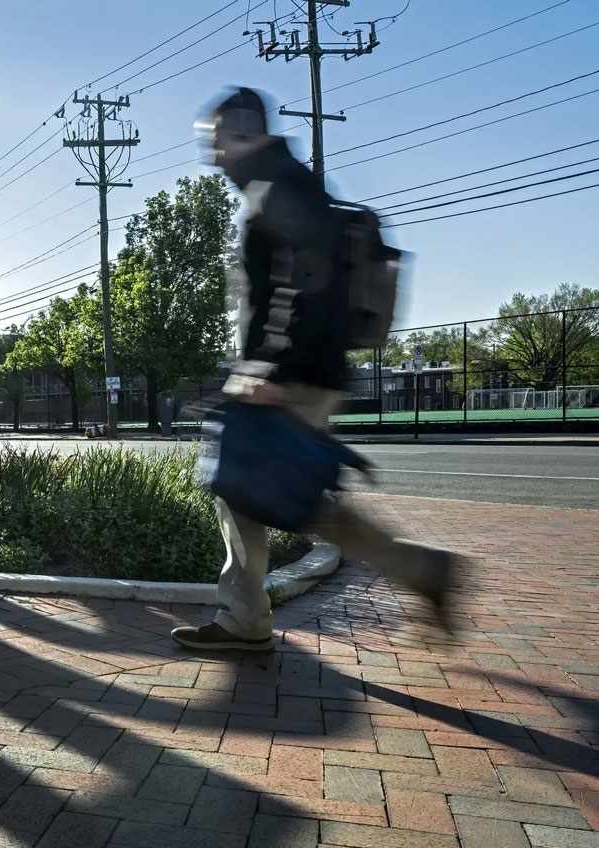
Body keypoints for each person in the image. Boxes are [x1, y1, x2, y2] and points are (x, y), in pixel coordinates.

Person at [171, 88, 456, 652]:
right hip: (292, 371)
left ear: (245, 130)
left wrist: (270, 369)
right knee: (258, 493)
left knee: (286, 497)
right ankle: (246, 616)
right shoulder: (278, 184)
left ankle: (415, 572)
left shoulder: (280, 188)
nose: (212, 155)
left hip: (287, 376)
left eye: (216, 140)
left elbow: (302, 282)